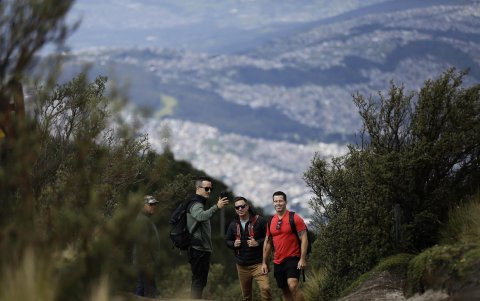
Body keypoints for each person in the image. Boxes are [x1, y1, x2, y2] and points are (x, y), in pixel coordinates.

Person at [187, 177, 229, 299]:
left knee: (200, 280)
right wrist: (217, 206)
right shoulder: (196, 203)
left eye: (211, 188)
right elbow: (200, 216)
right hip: (198, 249)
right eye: (206, 188)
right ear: (198, 188)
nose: (209, 191)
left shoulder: (199, 203)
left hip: (200, 249)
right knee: (198, 281)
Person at [262, 191, 308, 301]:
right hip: (278, 261)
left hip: (293, 257)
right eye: (275, 201)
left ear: (285, 202)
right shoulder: (270, 221)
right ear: (273, 203)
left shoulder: (295, 218)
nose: (278, 203)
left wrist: (302, 259)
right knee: (284, 289)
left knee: (292, 285)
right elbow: (268, 242)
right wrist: (264, 262)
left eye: (280, 201)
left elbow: (304, 238)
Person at [225, 197, 272, 301]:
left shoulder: (260, 221)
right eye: (237, 207)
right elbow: (227, 241)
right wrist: (233, 244)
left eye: (242, 206)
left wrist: (257, 243)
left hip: (258, 263)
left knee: (266, 288)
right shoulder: (233, 224)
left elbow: (269, 238)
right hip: (241, 266)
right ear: (235, 210)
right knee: (246, 296)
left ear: (247, 207)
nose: (240, 209)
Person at [132, 195, 162, 298]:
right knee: (149, 293)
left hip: (143, 263)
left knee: (140, 290)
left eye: (154, 204)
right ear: (143, 206)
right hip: (145, 264)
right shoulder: (142, 220)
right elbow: (142, 243)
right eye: (150, 204)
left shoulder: (143, 219)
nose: (153, 206)